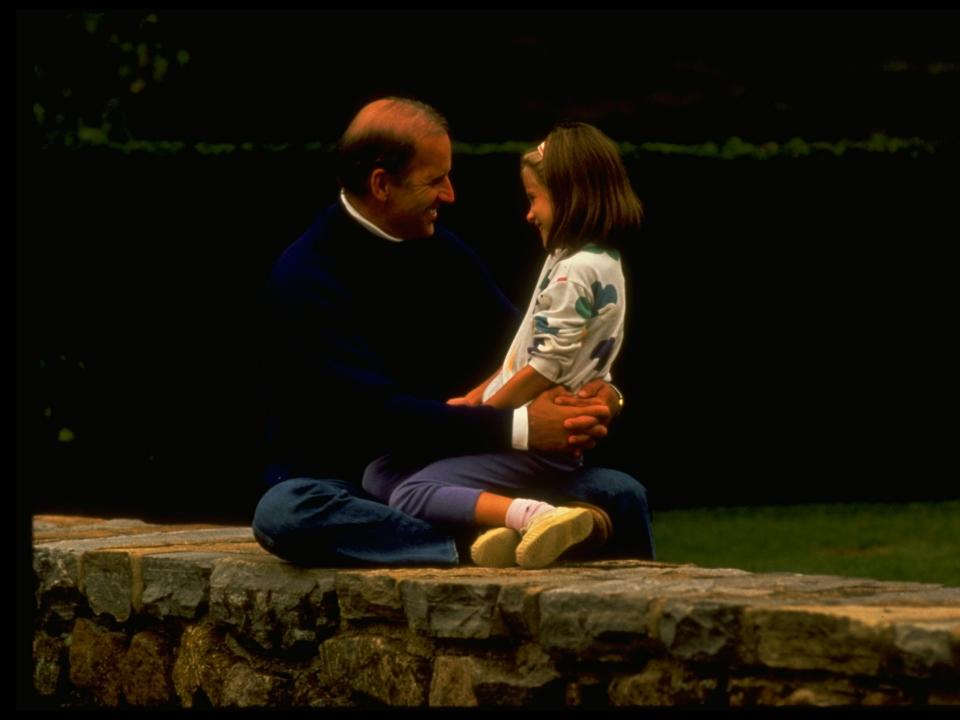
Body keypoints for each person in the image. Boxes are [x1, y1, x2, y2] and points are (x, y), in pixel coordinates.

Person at [251, 97, 655, 567]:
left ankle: (636, 626)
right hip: (352, 481)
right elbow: (378, 419)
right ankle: (470, 543)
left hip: (461, 468)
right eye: (435, 180)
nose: (450, 194)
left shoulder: (444, 252)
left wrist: (599, 396)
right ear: (382, 184)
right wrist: (522, 428)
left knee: (619, 492)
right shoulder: (306, 276)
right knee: (285, 513)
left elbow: (527, 347)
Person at [362, 123, 643, 569]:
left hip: (537, 444)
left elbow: (544, 369)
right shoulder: (580, 261)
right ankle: (502, 526)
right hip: (519, 434)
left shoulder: (576, 271)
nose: (529, 213)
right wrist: (471, 401)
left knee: (410, 492)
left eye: (535, 199)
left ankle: (540, 517)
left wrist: (480, 415)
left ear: (570, 197)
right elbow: (524, 355)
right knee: (381, 472)